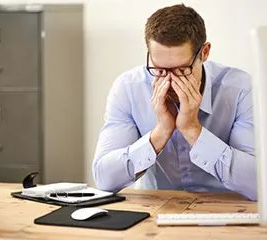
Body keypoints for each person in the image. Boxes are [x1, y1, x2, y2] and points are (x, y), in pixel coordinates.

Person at [92, 4, 256, 200]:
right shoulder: (128, 87)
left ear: (204, 53)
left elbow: (257, 183)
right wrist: (160, 132)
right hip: (154, 212)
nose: (170, 82)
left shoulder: (241, 89)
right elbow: (104, 179)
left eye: (181, 71)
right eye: (160, 70)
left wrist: (192, 129)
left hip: (228, 210)